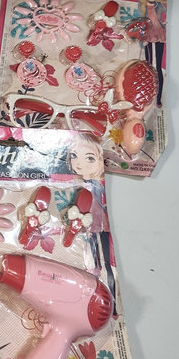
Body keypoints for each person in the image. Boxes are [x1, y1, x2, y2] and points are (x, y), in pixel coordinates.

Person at [67, 133, 117, 315]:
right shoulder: (79, 184)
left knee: (107, 265)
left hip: (102, 227)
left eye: (89, 158)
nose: (79, 163)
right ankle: (92, 302)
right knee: (91, 265)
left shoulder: (99, 184)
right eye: (74, 156)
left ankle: (110, 304)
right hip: (87, 229)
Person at [136, 0, 167, 106]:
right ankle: (149, 97)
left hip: (159, 34)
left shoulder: (160, 5)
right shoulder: (141, 3)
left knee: (158, 67)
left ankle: (158, 98)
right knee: (148, 66)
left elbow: (163, 17)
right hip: (147, 34)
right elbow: (140, 19)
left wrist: (165, 23)